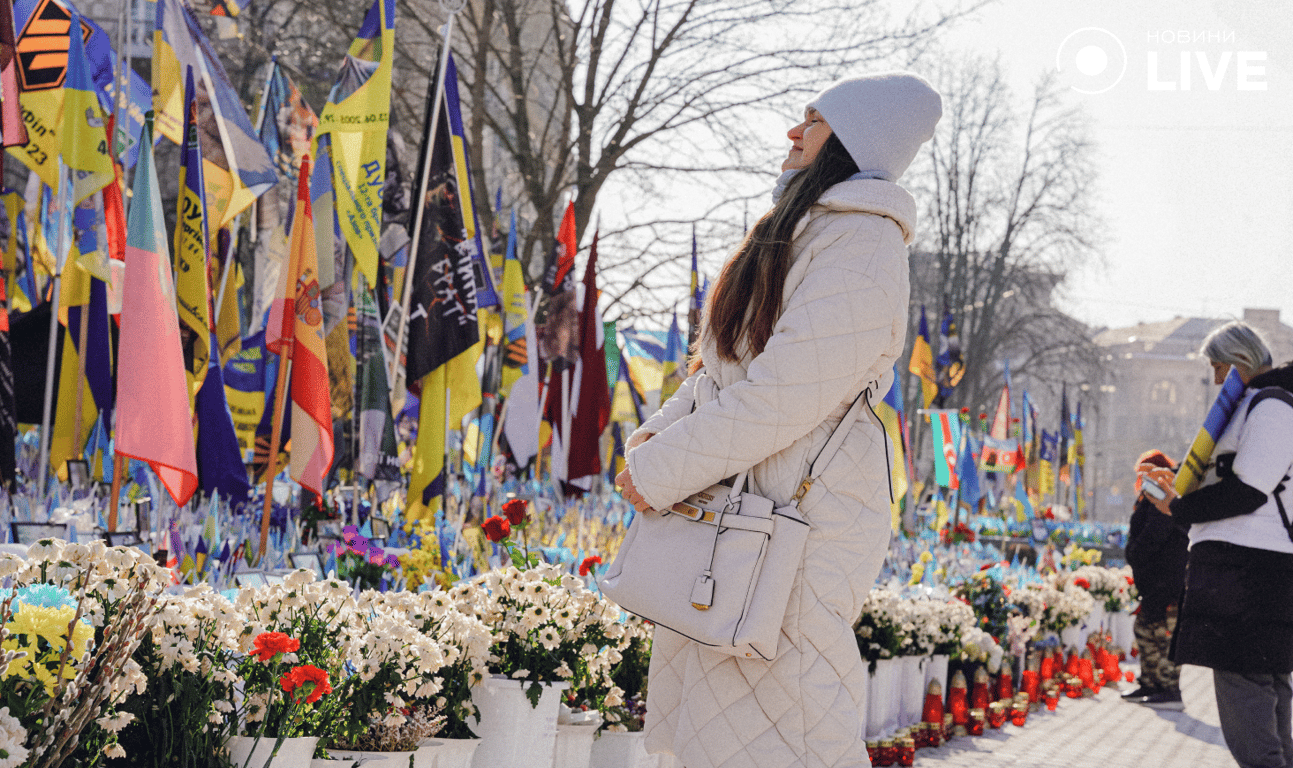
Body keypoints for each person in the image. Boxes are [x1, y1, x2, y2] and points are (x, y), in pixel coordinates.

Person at [615, 72, 942, 768]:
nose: (793, 133)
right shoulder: (800, 229)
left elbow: (786, 395)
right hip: (747, 507)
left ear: (852, 140)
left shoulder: (862, 245)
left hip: (797, 515)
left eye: (813, 121)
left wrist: (661, 468)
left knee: (791, 717)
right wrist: (652, 442)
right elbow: (716, 367)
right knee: (721, 723)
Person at [1146, 321, 1293, 768]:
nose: (1214, 379)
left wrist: (1179, 508)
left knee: (1245, 684)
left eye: (1217, 367)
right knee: (1264, 684)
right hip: (1253, 567)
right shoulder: (1268, 404)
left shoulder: (1272, 405)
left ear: (1240, 362)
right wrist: (1183, 488)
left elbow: (1250, 489)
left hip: (1248, 570)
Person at [1122, 449, 1188, 709]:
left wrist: (1134, 553)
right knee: (1145, 631)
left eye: (1145, 472)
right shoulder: (1149, 497)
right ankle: (1150, 683)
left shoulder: (1162, 496)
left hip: (1167, 583)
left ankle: (1170, 691)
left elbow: (1154, 534)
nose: (1140, 478)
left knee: (1166, 638)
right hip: (1153, 584)